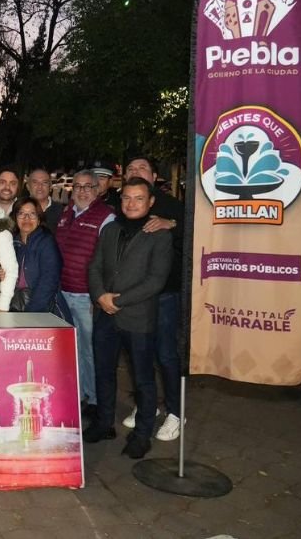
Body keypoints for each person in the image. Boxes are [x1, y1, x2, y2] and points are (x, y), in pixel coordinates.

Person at [84, 178, 172, 459]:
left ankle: (142, 435)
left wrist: (116, 301)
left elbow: (156, 280)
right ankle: (104, 424)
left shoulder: (160, 235)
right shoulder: (110, 229)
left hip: (137, 318)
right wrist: (100, 295)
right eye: (127, 198)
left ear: (151, 202)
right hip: (105, 315)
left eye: (138, 198)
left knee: (143, 379)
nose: (131, 203)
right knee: (103, 372)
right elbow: (95, 266)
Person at [120, 156, 185, 442]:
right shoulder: (123, 207)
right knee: (138, 354)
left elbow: (193, 234)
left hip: (164, 295)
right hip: (132, 297)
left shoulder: (172, 206)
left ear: (155, 175)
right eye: (131, 169)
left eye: (142, 168)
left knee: (166, 354)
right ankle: (146, 404)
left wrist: (172, 223)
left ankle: (176, 411)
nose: (136, 172)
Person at [56, 169, 115, 418]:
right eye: (77, 186)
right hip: (63, 293)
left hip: (86, 297)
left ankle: (97, 400)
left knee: (91, 351)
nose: (82, 191)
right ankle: (81, 396)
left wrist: (98, 295)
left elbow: (109, 262)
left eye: (88, 186)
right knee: (73, 350)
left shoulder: (106, 216)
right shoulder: (66, 213)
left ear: (97, 189)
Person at [10, 197, 69, 319]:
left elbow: (48, 282)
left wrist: (31, 314)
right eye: (21, 213)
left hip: (42, 310)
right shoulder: (12, 242)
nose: (26, 218)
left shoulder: (46, 242)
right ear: (15, 218)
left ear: (39, 219)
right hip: (15, 306)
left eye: (32, 214)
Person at [26, 167, 64, 234]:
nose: (40, 186)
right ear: (28, 186)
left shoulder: (62, 211)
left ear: (50, 187)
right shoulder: (18, 209)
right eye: (35, 182)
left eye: (44, 182)